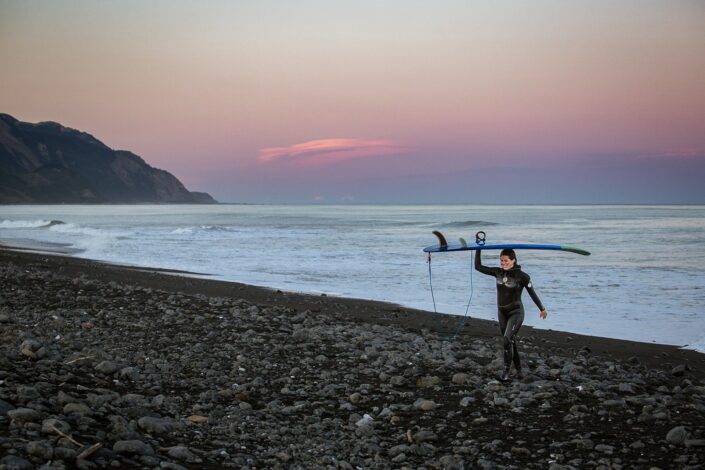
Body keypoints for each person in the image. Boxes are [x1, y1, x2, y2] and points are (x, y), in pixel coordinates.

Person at [475, 248, 547, 381]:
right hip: (502, 312)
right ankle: (519, 371)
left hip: (516, 312)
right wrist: (478, 248)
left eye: (506, 261)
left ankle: (506, 372)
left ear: (513, 260)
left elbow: (532, 293)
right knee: (510, 342)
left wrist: (542, 308)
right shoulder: (497, 272)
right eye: (501, 261)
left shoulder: (523, 277)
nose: (503, 263)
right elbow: (478, 267)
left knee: (507, 339)